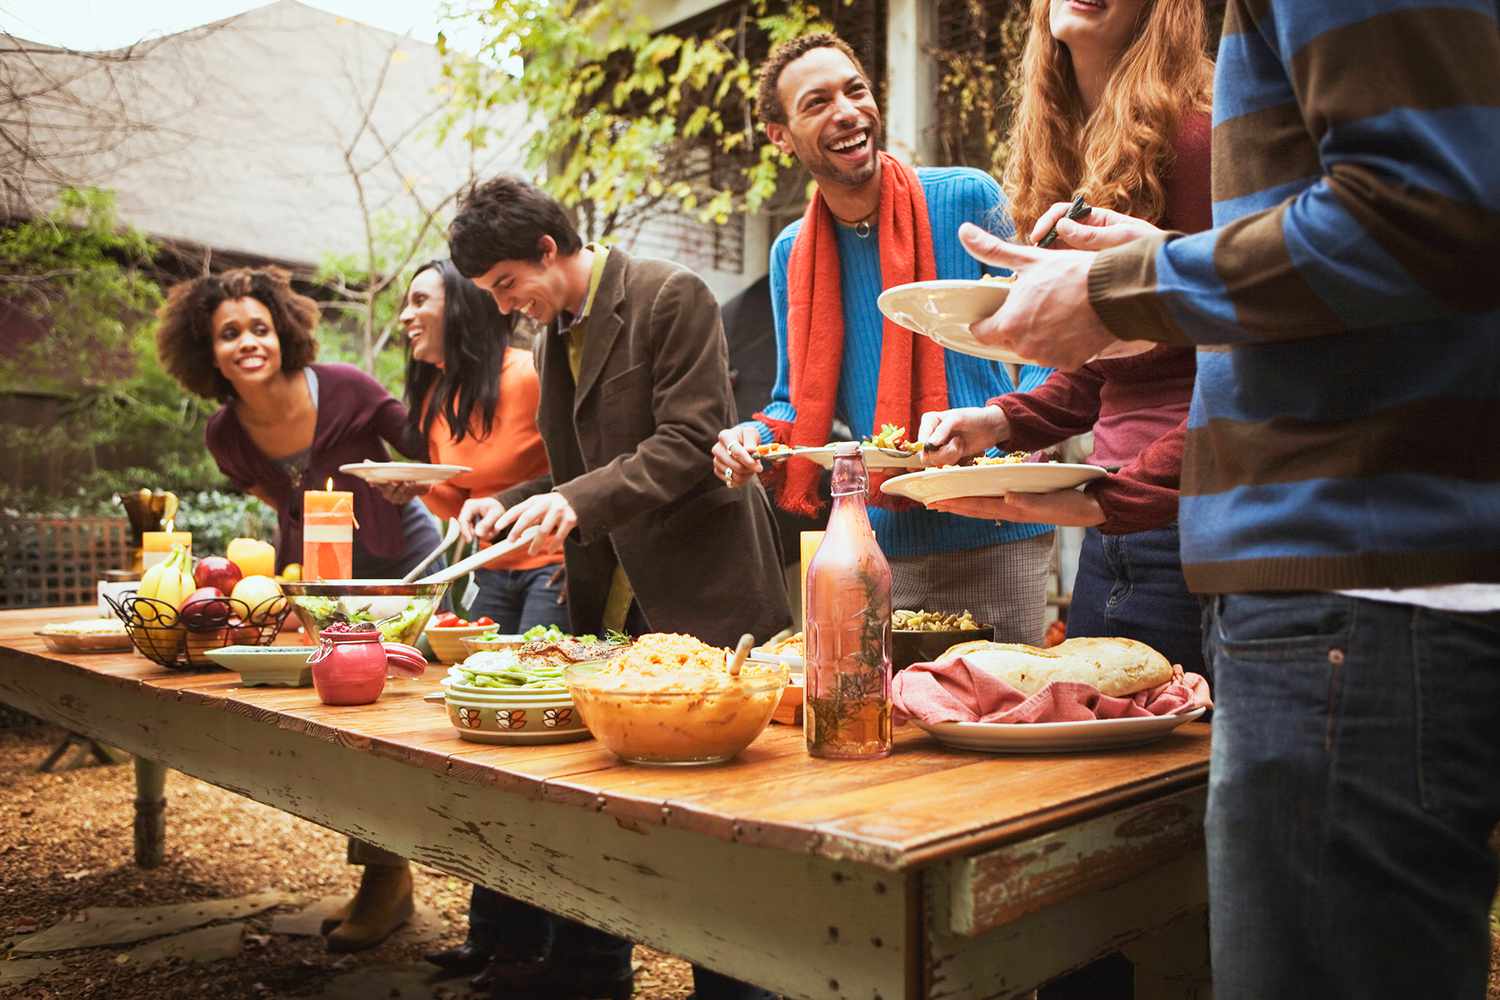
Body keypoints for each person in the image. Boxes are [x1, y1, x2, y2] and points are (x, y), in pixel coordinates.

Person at [952, 2, 1500, 997]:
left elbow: (1422, 208)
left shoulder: (1190, 115)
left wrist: (1131, 285)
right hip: (1336, 590)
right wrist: (1132, 290)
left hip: (1353, 589)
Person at [449, 174, 790, 1000]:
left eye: (506, 286)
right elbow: (581, 474)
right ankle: (588, 975)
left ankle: (736, 989)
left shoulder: (671, 294)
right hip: (610, 606)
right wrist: (514, 502)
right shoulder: (548, 333)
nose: (504, 307)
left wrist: (570, 498)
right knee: (593, 809)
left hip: (703, 596)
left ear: (546, 249)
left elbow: (688, 442)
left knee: (723, 830)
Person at [712, 32, 1055, 644]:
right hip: (878, 543)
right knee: (887, 729)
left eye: (855, 90)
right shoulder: (792, 253)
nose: (846, 111)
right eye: (816, 102)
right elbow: (795, 401)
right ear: (780, 135)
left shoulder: (969, 197)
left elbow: (1043, 345)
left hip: (996, 520)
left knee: (999, 718)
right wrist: (751, 439)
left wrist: (1010, 422)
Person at [918, 0, 1213, 681]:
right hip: (1114, 530)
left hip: (1187, 523)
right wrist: (997, 421)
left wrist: (1118, 496)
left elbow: (1239, 361)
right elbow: (1098, 369)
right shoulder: (1081, 141)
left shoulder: (1195, 137)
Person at [155, 266, 441, 952]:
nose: (248, 341)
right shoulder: (224, 434)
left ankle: (387, 880)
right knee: (337, 719)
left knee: (392, 721)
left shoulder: (348, 387)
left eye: (259, 327)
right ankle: (386, 876)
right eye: (229, 333)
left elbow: (434, 448)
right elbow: (276, 500)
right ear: (208, 351)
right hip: (315, 578)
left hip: (400, 560)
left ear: (283, 331)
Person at [379, 259, 571, 985]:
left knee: (535, 755)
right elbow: (460, 506)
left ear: (460, 305)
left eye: (419, 298)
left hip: (551, 568)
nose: (405, 314)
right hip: (489, 575)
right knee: (483, 750)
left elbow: (569, 470)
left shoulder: (526, 374)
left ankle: (551, 946)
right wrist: (415, 492)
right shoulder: (435, 399)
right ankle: (494, 936)